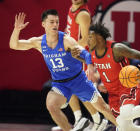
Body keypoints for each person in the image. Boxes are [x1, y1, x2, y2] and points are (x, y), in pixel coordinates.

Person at [9, 10, 118, 131]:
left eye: (57, 22)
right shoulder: (39, 42)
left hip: (78, 80)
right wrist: (17, 29)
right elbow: (14, 45)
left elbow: (86, 54)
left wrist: (90, 67)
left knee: (103, 108)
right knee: (51, 105)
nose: (55, 24)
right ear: (43, 24)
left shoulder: (67, 40)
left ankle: (124, 127)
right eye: (51, 22)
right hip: (61, 84)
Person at [71, 23, 140, 131]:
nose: (87, 40)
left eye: (90, 37)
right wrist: (77, 57)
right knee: (125, 128)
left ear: (99, 37)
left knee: (126, 113)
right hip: (113, 93)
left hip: (127, 86)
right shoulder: (92, 52)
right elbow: (96, 62)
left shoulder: (116, 48)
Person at [51, 0, 107, 131]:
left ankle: (99, 121)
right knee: (68, 85)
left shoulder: (83, 14)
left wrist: (69, 51)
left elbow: (86, 39)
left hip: (79, 56)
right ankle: (79, 120)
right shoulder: (72, 8)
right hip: (72, 54)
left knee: (83, 91)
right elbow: (69, 30)